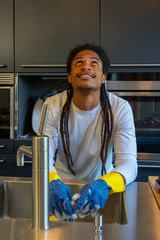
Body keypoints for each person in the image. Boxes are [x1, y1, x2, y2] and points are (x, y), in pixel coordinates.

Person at [43, 43, 138, 220]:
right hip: (61, 191)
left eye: (94, 63)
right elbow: (43, 156)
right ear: (70, 77)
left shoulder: (120, 108)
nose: (86, 66)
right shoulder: (52, 106)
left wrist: (104, 185)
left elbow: (129, 163)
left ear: (103, 77)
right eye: (79, 62)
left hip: (103, 192)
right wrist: (50, 181)